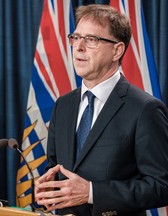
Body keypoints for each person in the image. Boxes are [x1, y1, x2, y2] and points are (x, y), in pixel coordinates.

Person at [35, 4, 168, 216]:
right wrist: (49, 190)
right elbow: (55, 169)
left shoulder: (145, 109)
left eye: (91, 40)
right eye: (76, 37)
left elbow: (160, 186)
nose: (78, 47)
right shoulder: (63, 105)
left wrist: (91, 192)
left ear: (117, 50)